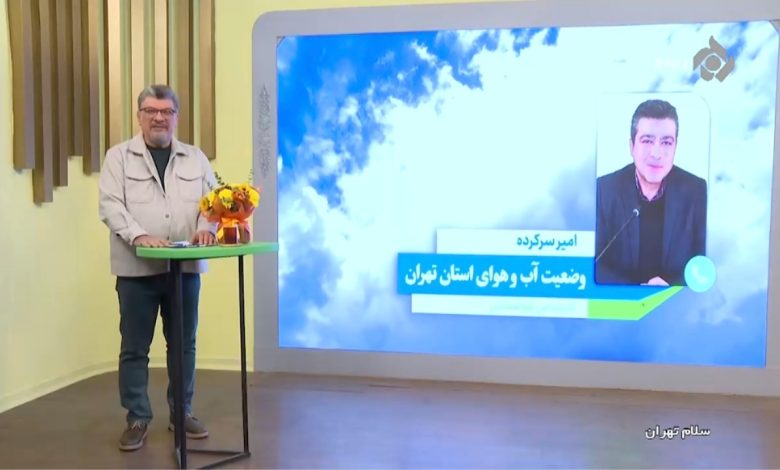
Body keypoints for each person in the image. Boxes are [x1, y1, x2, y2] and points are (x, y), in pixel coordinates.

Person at [98, 84, 216, 451]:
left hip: (185, 271)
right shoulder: (118, 157)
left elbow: (213, 203)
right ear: (139, 116)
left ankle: (182, 412)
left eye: (166, 111)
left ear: (176, 117)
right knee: (135, 347)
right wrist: (139, 235)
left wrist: (207, 228)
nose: (159, 118)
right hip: (136, 271)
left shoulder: (196, 158)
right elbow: (110, 205)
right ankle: (137, 417)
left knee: (183, 346)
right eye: (151, 111)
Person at [595, 99, 707, 286]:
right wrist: (638, 292)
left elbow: (704, 264)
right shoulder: (603, 190)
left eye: (666, 142)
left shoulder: (696, 191)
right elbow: (595, 265)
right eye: (647, 141)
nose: (656, 153)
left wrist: (669, 289)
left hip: (677, 302)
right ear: (632, 146)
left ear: (675, 147)